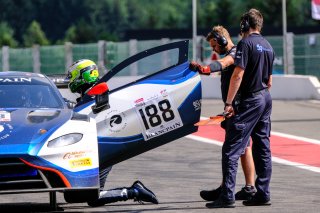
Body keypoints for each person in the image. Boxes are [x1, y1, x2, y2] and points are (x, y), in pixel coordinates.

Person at [67, 59, 159, 207]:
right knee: (74, 196)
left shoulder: (99, 92)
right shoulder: (90, 94)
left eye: (72, 76)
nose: (70, 80)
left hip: (102, 149)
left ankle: (134, 191)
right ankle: (133, 191)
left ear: (81, 76)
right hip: (90, 149)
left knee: (92, 198)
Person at [206, 9, 274, 208]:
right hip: (265, 98)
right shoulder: (268, 46)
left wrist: (229, 104)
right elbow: (269, 81)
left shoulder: (245, 44)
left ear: (245, 24)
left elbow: (237, 75)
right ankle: (262, 193)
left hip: (250, 100)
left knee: (231, 149)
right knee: (263, 148)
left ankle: (227, 196)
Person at [189, 26, 257, 202]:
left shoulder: (235, 52)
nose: (213, 50)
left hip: (238, 108)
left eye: (214, 46)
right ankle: (249, 187)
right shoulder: (235, 53)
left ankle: (226, 191)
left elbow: (223, 63)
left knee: (231, 150)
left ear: (222, 41)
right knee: (244, 147)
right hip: (238, 107)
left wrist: (205, 69)